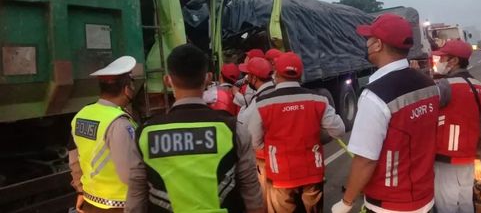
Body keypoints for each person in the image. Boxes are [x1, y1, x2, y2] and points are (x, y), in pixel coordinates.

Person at [125, 44, 264, 213]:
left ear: (167, 80)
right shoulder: (234, 130)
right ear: (207, 78)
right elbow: (253, 198)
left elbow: (135, 201)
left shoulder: (145, 135)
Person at [332, 13, 440, 213]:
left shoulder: (375, 95)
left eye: (368, 40)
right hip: (425, 198)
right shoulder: (429, 84)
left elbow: (365, 160)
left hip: (389, 204)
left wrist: (347, 202)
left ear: (378, 45)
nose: (366, 45)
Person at [249, 51, 345, 213]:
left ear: (276, 74)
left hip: (280, 176)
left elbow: (254, 141)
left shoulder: (262, 103)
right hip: (312, 174)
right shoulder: (317, 99)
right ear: (300, 75)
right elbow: (339, 130)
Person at [69, 56, 139, 213]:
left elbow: (74, 158)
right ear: (127, 89)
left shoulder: (82, 115)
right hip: (119, 205)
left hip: (90, 200)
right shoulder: (119, 123)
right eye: (132, 86)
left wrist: (80, 190)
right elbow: (129, 174)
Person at [432, 39, 481, 213]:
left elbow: (427, 116)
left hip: (446, 156)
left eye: (443, 58)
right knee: (465, 200)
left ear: (454, 61)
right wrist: (478, 149)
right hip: (469, 155)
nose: (439, 62)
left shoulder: (445, 86)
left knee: (445, 204)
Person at [237, 57, 277, 210]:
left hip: (265, 162)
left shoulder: (258, 102)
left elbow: (252, 138)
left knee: (267, 202)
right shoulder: (277, 91)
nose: (246, 78)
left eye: (247, 75)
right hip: (284, 159)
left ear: (254, 78)